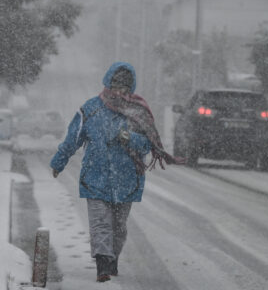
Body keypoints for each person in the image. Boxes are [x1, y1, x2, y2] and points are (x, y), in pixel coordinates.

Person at [50, 62, 183, 282]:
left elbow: (147, 145)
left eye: (125, 87)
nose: (120, 91)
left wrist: (130, 138)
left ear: (131, 88)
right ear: (108, 83)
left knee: (118, 227)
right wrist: (59, 162)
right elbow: (73, 138)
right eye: (116, 85)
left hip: (127, 180)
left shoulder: (138, 113)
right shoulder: (90, 109)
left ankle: (112, 259)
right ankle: (103, 264)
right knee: (100, 223)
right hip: (95, 178)